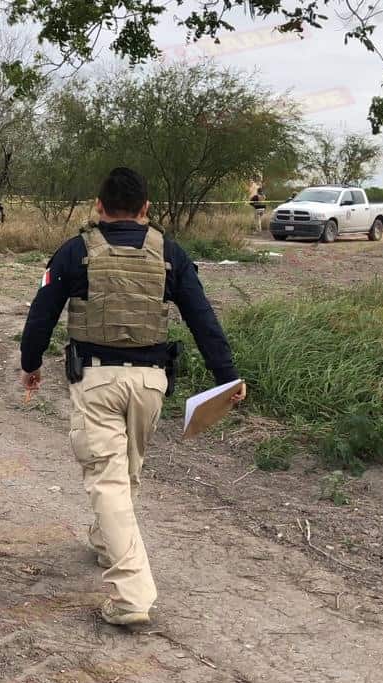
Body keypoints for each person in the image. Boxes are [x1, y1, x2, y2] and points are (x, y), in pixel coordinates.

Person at [19, 167, 245, 626]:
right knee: (125, 473)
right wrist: (228, 377)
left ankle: (131, 597)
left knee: (108, 479)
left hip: (97, 380)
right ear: (146, 209)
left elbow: (42, 313)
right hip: (150, 384)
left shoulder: (75, 251)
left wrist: (31, 363)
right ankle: (107, 542)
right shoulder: (170, 253)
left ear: (98, 207)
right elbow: (203, 318)